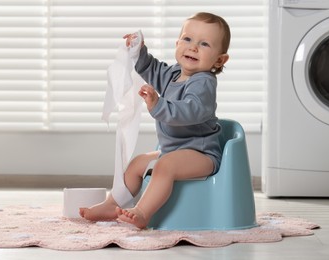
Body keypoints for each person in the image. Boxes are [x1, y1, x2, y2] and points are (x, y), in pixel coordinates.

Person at [80, 12, 230, 229]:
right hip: (175, 150)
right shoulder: (174, 74)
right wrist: (139, 50)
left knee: (164, 166)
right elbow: (152, 69)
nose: (193, 47)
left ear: (219, 59)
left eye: (204, 44)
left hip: (202, 153)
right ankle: (112, 204)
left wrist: (158, 105)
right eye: (187, 39)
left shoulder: (204, 83)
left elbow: (191, 111)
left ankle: (143, 212)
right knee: (137, 164)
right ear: (177, 42)